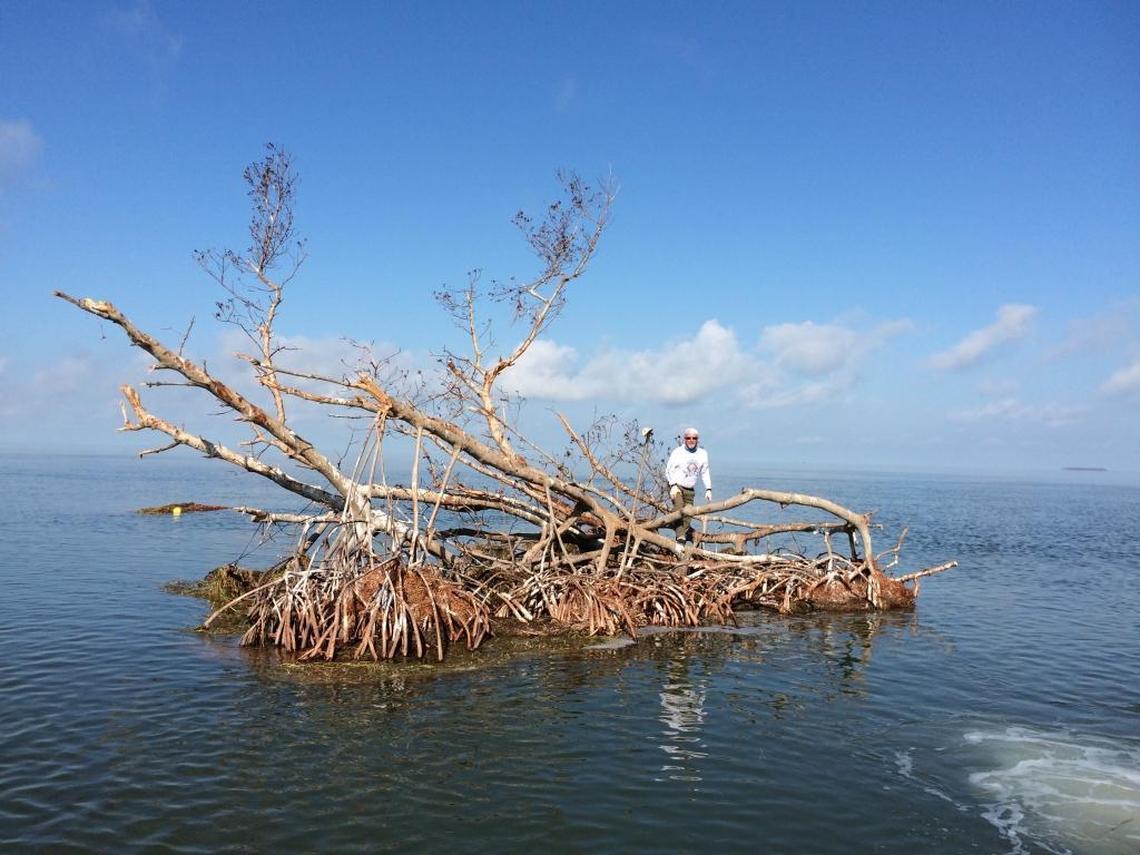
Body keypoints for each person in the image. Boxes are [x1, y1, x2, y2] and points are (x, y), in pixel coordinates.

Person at [665, 427, 712, 544]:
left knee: (688, 515)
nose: (691, 440)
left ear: (698, 440)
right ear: (684, 439)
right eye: (688, 438)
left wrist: (708, 489)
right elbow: (668, 470)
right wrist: (673, 485)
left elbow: (705, 472)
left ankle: (680, 533)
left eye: (694, 438)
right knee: (679, 508)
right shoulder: (678, 452)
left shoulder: (703, 454)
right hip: (677, 487)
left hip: (690, 489)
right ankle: (680, 537)